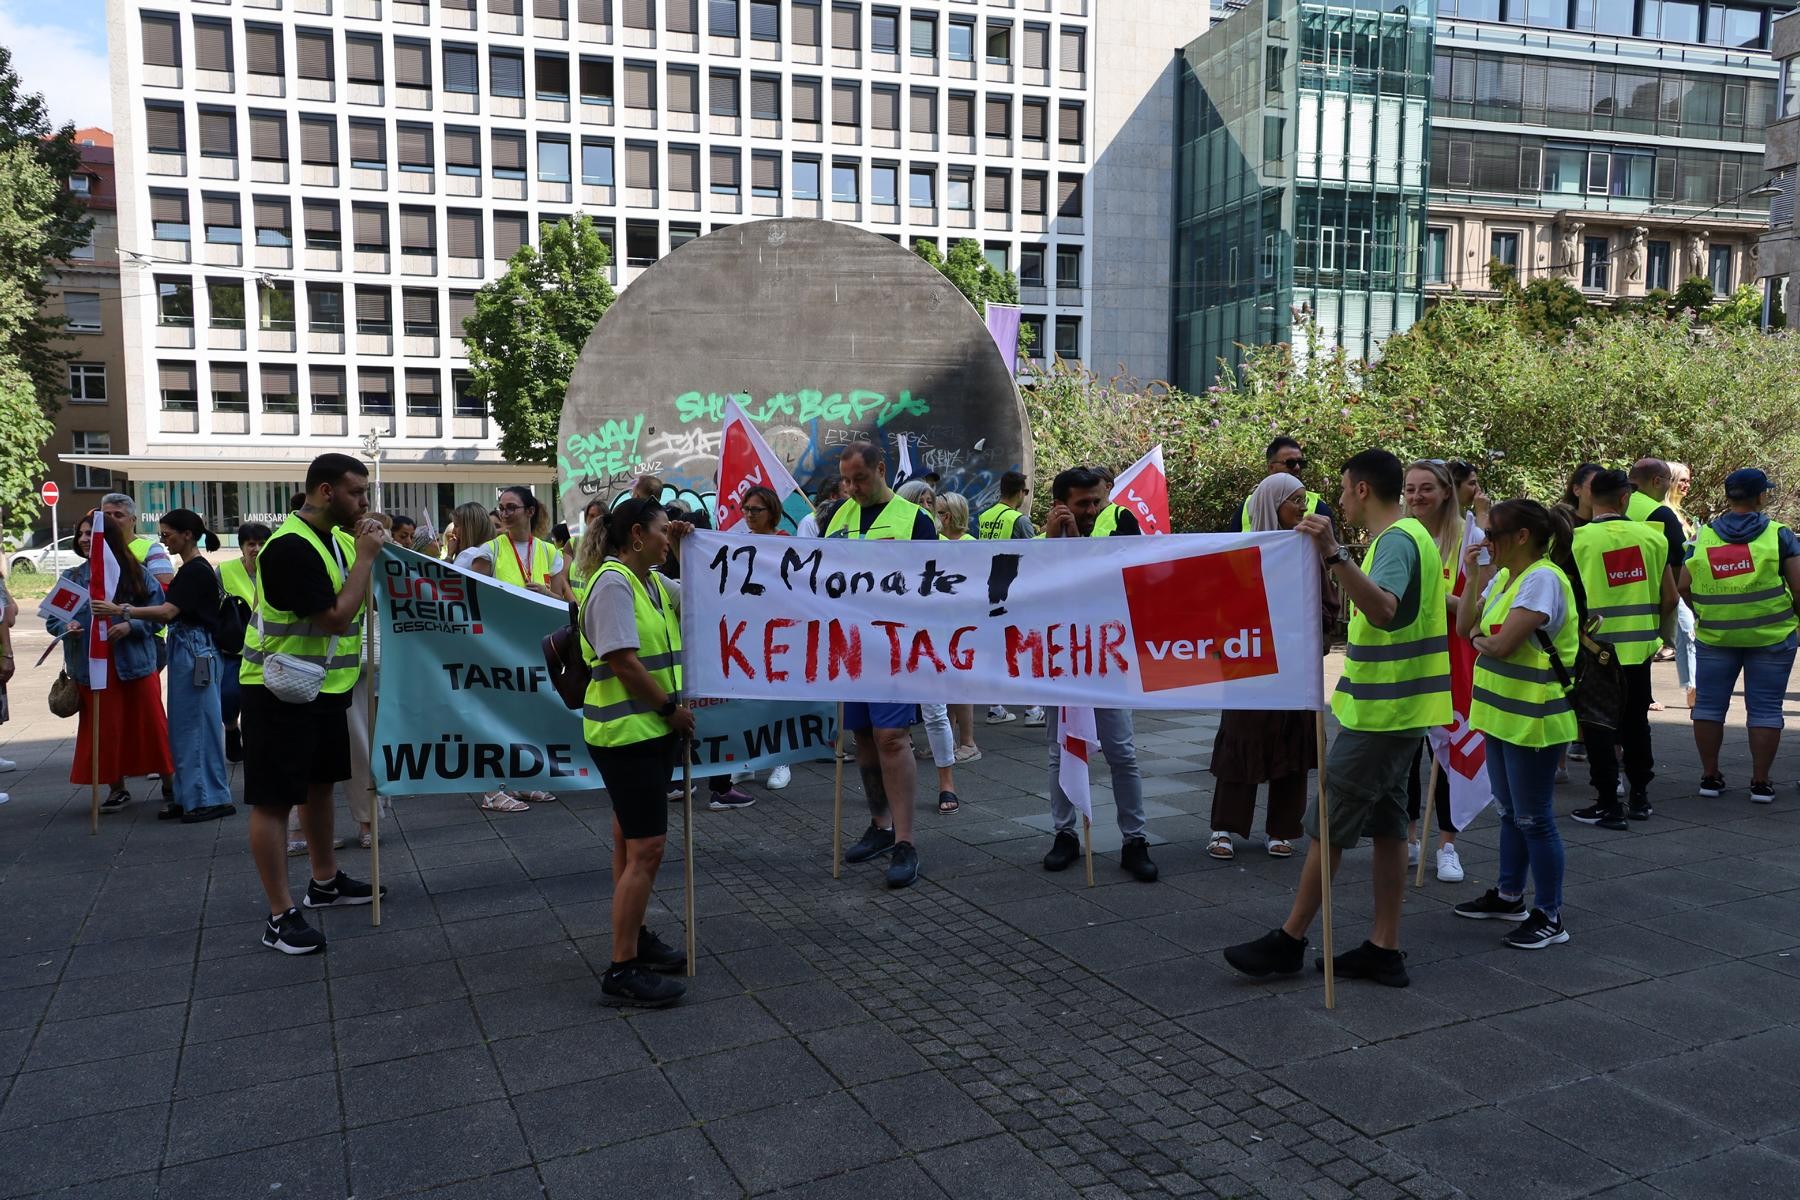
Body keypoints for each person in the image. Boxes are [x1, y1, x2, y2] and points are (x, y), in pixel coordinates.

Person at [1223, 449, 1451, 989]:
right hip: (1397, 710)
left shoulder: (1394, 540)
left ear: (1363, 490)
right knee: (1391, 826)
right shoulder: (1411, 535)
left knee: (1329, 823)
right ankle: (1383, 947)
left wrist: (1332, 554)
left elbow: (1383, 610)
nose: (1339, 498)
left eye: (1344, 489)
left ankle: (1290, 939)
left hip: (1383, 714)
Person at [239, 453, 387, 955]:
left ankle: (324, 882)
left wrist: (369, 554)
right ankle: (279, 916)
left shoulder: (337, 539)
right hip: (276, 689)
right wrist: (366, 558)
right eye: (356, 492)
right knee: (275, 798)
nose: (364, 502)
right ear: (325, 492)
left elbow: (365, 595)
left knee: (319, 783)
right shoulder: (288, 549)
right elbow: (336, 619)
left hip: (321, 688)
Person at [580, 496, 694, 1006]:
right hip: (630, 735)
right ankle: (622, 967)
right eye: (663, 531)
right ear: (635, 536)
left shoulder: (647, 581)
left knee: (630, 839)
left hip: (644, 733)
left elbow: (696, 597)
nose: (668, 538)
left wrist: (691, 547)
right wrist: (670, 709)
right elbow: (624, 662)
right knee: (648, 848)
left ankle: (635, 935)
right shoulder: (613, 583)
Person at [1452, 500, 1578, 949]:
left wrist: (1478, 639)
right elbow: (1466, 625)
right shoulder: (1508, 577)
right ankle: (1509, 896)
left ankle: (1549, 913)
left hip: (1534, 719)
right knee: (1511, 813)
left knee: (1534, 817)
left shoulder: (1542, 579)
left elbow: (1501, 644)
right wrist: (1472, 581)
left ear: (1522, 536)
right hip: (1503, 715)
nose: (1486, 541)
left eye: (1493, 533)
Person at [1039, 466, 1158, 883]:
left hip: (1110, 662)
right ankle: (1065, 835)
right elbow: (1029, 594)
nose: (1091, 509)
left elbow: (1142, 580)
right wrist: (1055, 542)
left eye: (1097, 501)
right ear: (1060, 505)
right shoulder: (1041, 542)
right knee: (1061, 751)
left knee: (1122, 753)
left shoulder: (1120, 525)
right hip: (1062, 664)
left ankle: (1135, 840)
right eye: (1082, 503)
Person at [1208, 474, 1337, 860]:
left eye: (1304, 499)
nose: (1302, 507)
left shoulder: (1308, 548)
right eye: (1294, 500)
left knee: (1292, 742)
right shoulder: (1241, 551)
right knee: (1241, 737)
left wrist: (1317, 629)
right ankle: (1225, 828)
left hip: (1294, 664)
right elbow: (1223, 609)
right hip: (1250, 663)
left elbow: (1328, 602)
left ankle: (1283, 829)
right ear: (1271, 503)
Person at [828, 441, 938, 888]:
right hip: (850, 648)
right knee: (863, 739)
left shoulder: (917, 520)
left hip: (897, 647)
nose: (852, 488)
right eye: (847, 480)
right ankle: (880, 825)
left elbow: (938, 585)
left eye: (860, 478)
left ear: (881, 468)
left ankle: (906, 842)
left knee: (892, 737)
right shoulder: (837, 518)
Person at [92, 508, 235, 824]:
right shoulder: (192, 569)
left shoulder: (195, 571)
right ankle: (191, 796)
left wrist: (122, 610)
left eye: (167, 534)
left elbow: (168, 612)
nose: (163, 540)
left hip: (195, 650)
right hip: (192, 650)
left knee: (196, 727)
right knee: (186, 728)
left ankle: (207, 798)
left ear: (187, 534)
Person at [1680, 468, 1800, 805]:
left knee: (1708, 706)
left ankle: (1710, 777)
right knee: (1764, 709)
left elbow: (1683, 586)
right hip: (1772, 637)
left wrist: (1704, 612)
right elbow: (1799, 586)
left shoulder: (1703, 536)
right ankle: (1760, 783)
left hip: (1716, 636)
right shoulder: (1780, 535)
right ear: (1761, 496)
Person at [1567, 468, 1676, 829]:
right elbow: (1671, 597)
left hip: (1596, 650)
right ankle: (1641, 797)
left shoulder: (1577, 540)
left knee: (1599, 726)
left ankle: (1607, 802)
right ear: (1625, 498)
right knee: (1635, 723)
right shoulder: (1652, 537)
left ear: (1590, 498)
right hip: (1640, 648)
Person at [45, 513, 174, 814]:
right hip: (92, 668)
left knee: (151, 725)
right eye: (81, 534)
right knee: (106, 729)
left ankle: (170, 781)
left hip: (136, 663)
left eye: (91, 533)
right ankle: (117, 788)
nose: (84, 539)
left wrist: (132, 626)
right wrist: (69, 627)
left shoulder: (137, 575)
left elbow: (159, 616)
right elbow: (53, 621)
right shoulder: (73, 578)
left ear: (109, 539)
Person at [1402, 459, 1479, 883]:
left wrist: (1438, 598)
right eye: (1410, 489)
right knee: (1406, 755)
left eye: (1425, 488)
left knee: (1448, 754)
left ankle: (1447, 844)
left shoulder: (1471, 536)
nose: (1416, 497)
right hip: (1409, 659)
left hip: (1453, 661)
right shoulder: (1398, 535)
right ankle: (1411, 838)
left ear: (1446, 491)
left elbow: (1481, 608)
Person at [976, 471, 1045, 729]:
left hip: (990, 588)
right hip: (1014, 591)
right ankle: (1032, 709)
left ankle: (995, 707)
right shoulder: (1019, 520)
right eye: (1025, 491)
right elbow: (1034, 555)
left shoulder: (985, 517)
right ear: (1020, 492)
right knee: (1021, 648)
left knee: (995, 650)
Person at [934, 493, 982, 763]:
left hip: (960, 625)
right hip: (950, 622)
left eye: (938, 511)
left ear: (948, 516)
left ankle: (968, 743)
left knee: (960, 686)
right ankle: (948, 740)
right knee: (948, 686)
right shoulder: (963, 544)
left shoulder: (964, 546)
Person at [218, 521, 269, 763]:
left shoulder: (277, 569)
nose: (256, 548)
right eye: (251, 544)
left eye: (262, 543)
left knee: (258, 702)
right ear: (241, 547)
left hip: (266, 647)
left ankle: (255, 745)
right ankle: (230, 728)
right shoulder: (223, 571)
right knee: (228, 696)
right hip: (233, 647)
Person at [488, 485, 573, 601]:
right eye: (501, 508)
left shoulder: (549, 551)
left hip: (540, 618)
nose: (504, 514)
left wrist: (545, 593)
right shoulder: (489, 550)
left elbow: (559, 600)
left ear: (530, 511)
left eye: (511, 507)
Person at [1235, 437, 1335, 532]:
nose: (1297, 468)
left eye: (1301, 463)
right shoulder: (1246, 507)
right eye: (1290, 463)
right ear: (1271, 468)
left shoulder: (1319, 508)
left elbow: (1331, 548)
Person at [1664, 462, 1699, 709]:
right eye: (1681, 480)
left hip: (1682, 582)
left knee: (1688, 634)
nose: (1686, 484)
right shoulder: (1664, 511)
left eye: (1688, 480)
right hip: (1671, 584)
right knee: (1687, 633)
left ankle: (1692, 688)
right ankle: (1692, 690)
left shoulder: (1678, 511)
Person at [976, 470, 1035, 540]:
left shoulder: (984, 516)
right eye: (1025, 491)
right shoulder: (1021, 520)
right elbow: (1034, 549)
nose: (1025, 495)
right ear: (1019, 493)